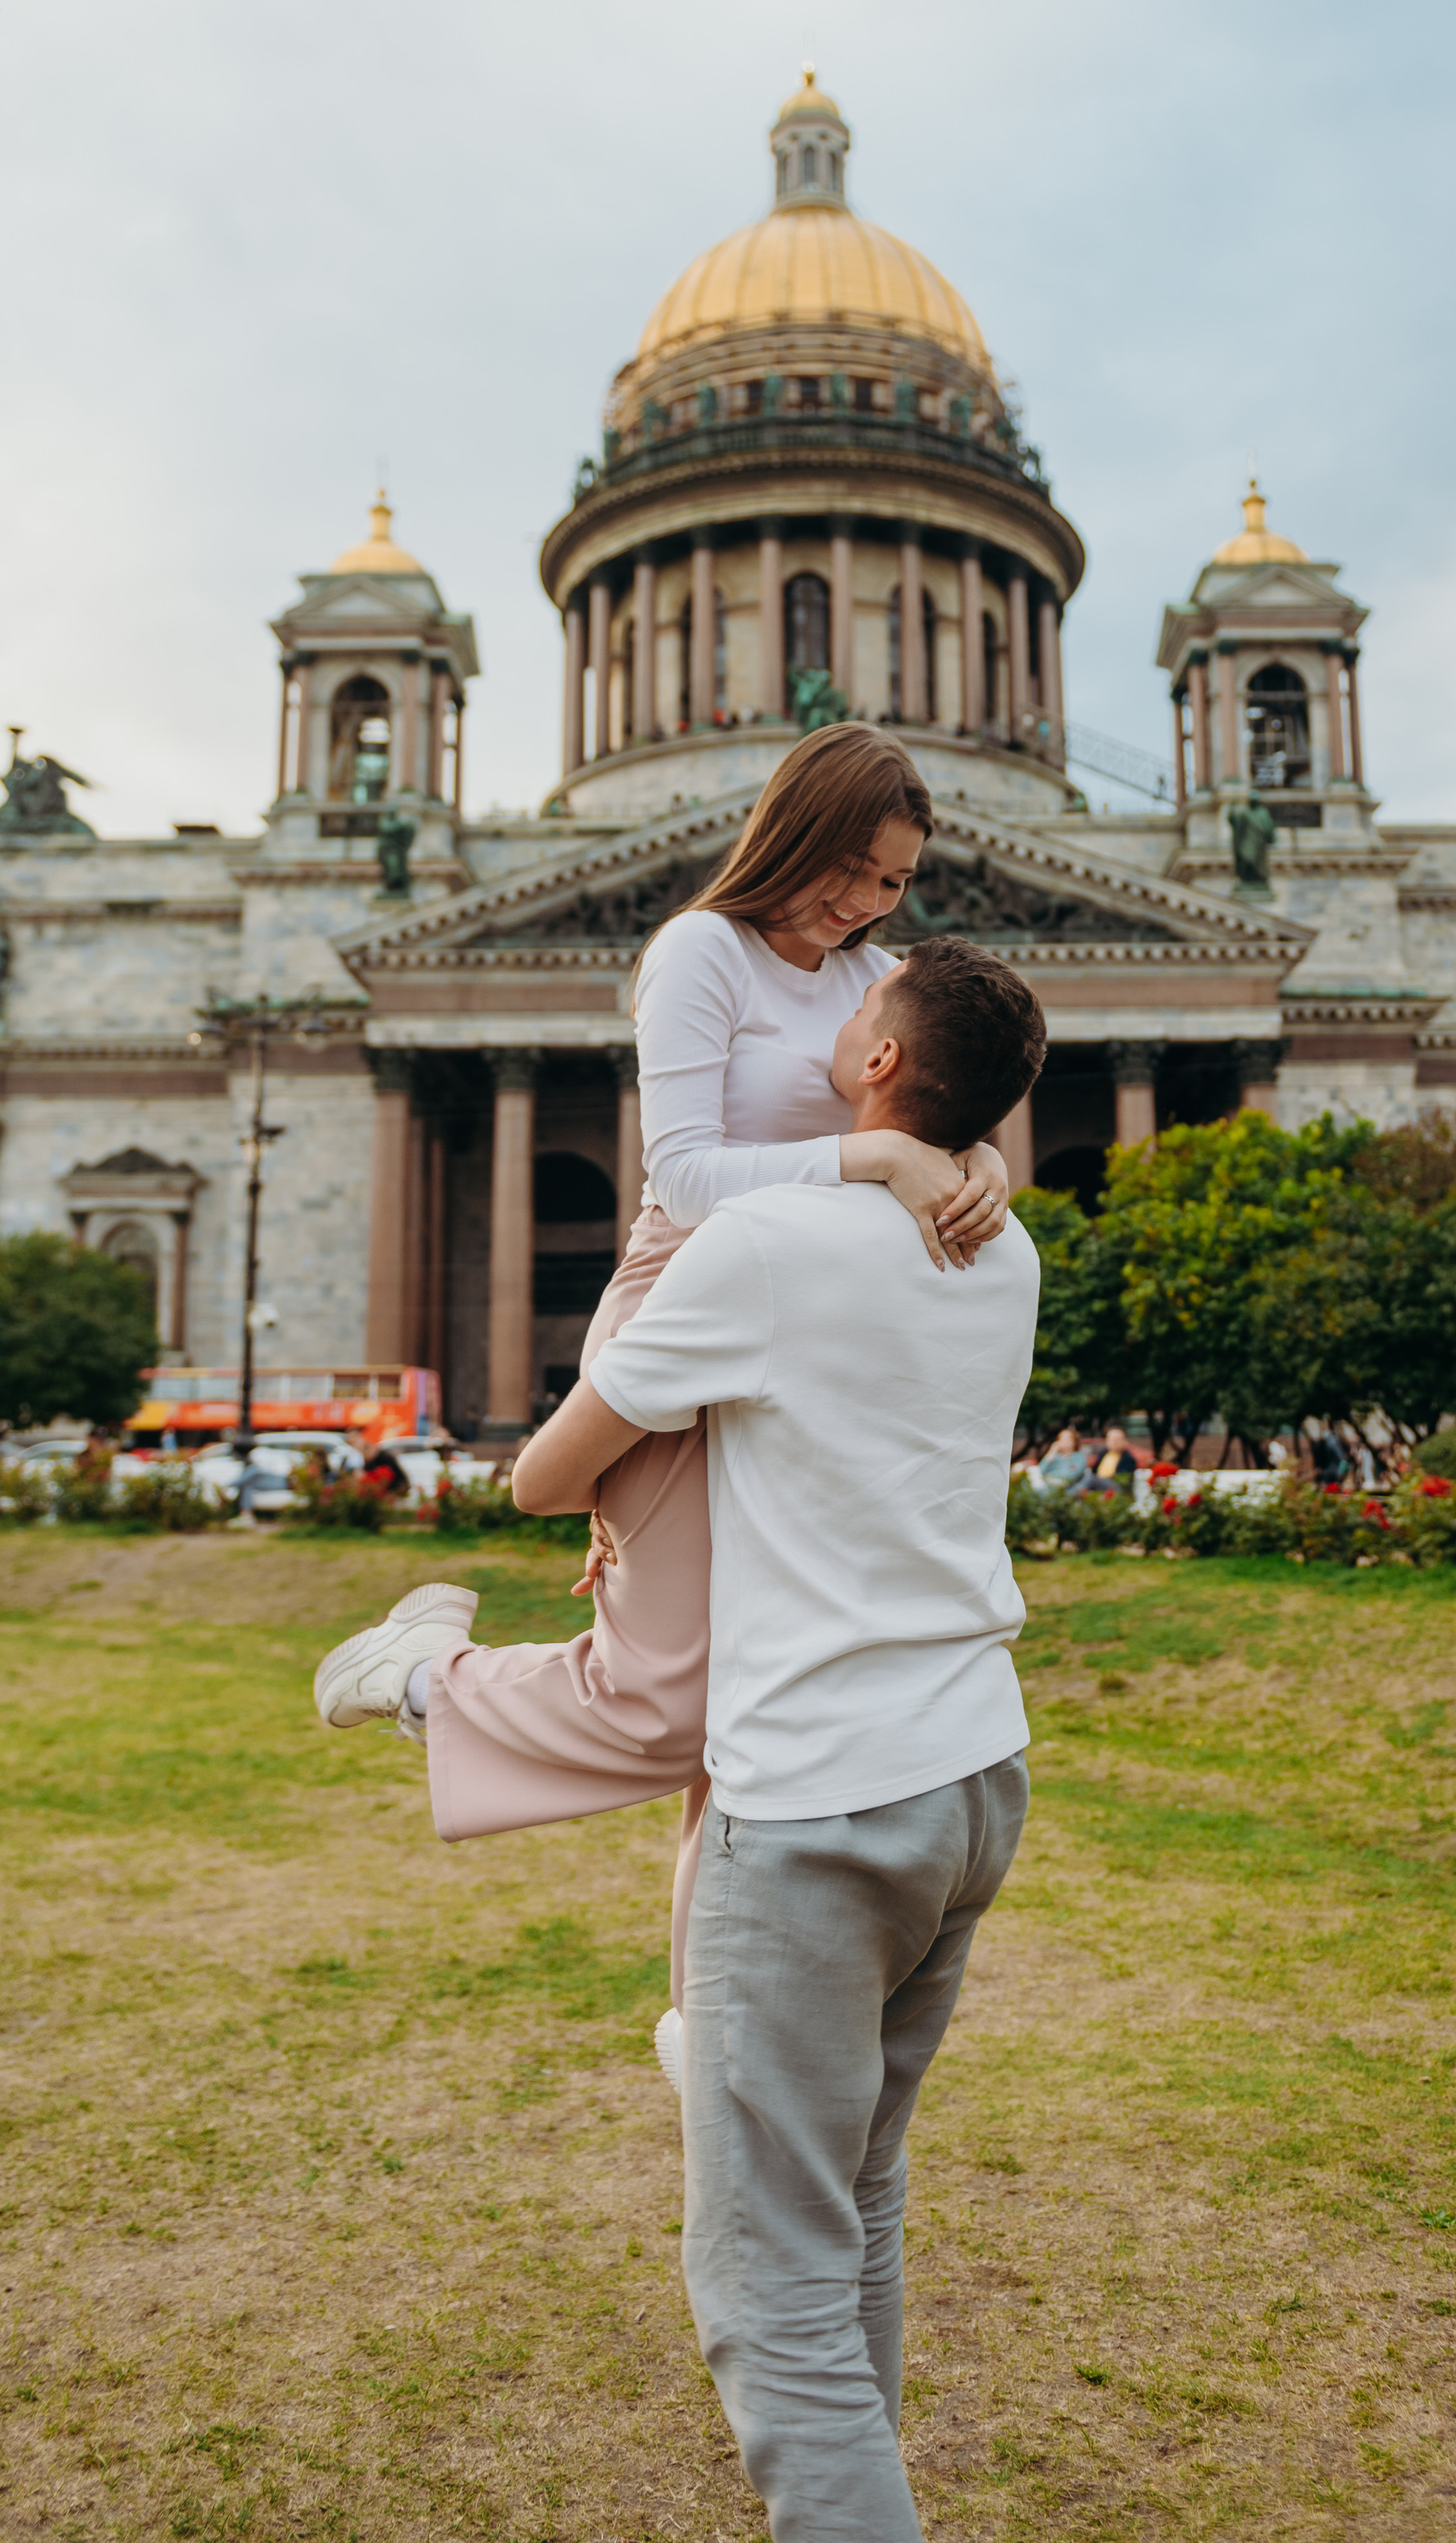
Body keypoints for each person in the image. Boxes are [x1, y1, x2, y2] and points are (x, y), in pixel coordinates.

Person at [313, 726, 1016, 2024]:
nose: (867, 905)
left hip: (799, 1336)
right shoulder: (699, 950)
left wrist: (983, 1167)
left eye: (896, 883)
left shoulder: (878, 975)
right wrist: (871, 1165)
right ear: (798, 831)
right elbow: (686, 1171)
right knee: (667, 1695)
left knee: (747, 1702)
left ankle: (707, 2021)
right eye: (855, 868)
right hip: (680, 1304)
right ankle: (416, 1673)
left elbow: (934, 1106)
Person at [511, 934, 1042, 2542]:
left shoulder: (762, 1250)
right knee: (858, 2202)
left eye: (861, 999)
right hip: (970, 1776)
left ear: (881, 1062)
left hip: (814, 1803)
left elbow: (545, 1473)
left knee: (771, 2305)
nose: (835, 996)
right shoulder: (999, 1250)